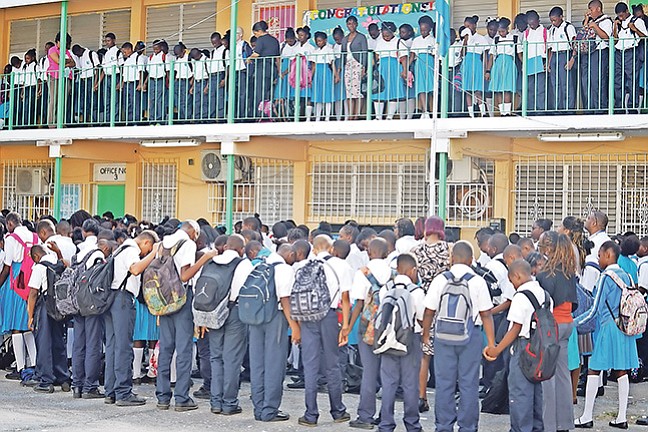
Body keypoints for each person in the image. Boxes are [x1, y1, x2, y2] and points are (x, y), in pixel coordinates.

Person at [422, 241, 495, 432]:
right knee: (468, 383)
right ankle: (468, 427)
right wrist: (492, 343)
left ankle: (443, 426)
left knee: (444, 383)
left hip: (443, 338)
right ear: (471, 260)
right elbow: (486, 314)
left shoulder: (440, 279)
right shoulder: (477, 281)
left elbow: (429, 311)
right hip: (470, 337)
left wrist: (426, 335)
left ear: (452, 258)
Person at [574, 241, 638, 429]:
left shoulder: (606, 277)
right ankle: (622, 417)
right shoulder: (627, 275)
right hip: (625, 328)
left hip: (607, 328)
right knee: (622, 371)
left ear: (608, 255)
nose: (599, 259)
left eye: (600, 255)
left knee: (594, 368)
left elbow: (595, 309)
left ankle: (586, 416)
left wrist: (574, 322)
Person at [485, 260, 552, 432]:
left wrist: (497, 350)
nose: (512, 285)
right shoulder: (545, 295)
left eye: (512, 280)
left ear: (518, 276)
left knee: (520, 394)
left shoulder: (521, 297)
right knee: (536, 393)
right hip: (541, 348)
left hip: (523, 349)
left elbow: (515, 328)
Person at [155, 221, 214, 411]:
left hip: (163, 300)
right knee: (184, 350)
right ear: (194, 232)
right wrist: (204, 259)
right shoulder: (187, 243)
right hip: (181, 299)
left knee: (165, 349)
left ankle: (162, 396)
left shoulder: (164, 242)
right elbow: (185, 275)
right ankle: (181, 397)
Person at [297, 235, 351, 427]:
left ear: (313, 248)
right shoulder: (341, 265)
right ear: (331, 248)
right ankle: (338, 411)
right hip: (329, 316)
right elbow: (345, 298)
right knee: (332, 364)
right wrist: (345, 325)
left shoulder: (304, 265)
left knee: (310, 366)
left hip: (307, 317)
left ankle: (310, 414)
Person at [104, 230, 160, 406]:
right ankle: (123, 392)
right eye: (148, 248)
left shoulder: (120, 248)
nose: (146, 252)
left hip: (111, 299)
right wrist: (153, 254)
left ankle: (111, 391)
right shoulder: (130, 250)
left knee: (113, 346)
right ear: (145, 243)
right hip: (122, 300)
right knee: (123, 347)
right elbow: (135, 269)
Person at [202, 235, 252, 415]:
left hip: (213, 312)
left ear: (226, 246)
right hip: (234, 312)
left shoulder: (211, 262)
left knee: (216, 357)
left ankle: (215, 402)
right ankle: (229, 403)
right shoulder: (243, 264)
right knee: (232, 359)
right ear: (241, 249)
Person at [249, 243, 300, 422]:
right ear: (290, 253)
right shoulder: (284, 269)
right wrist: (294, 326)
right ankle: (270, 410)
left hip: (255, 317)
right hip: (275, 318)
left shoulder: (259, 264)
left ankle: (258, 408)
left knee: (257, 364)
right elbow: (285, 298)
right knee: (274, 365)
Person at [347, 238, 392, 429]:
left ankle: (365, 416)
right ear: (386, 252)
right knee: (389, 373)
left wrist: (348, 327)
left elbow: (358, 302)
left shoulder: (363, 273)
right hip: (391, 328)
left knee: (369, 372)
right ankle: (386, 417)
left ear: (369, 252)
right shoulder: (395, 270)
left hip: (369, 328)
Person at [380, 253, 426, 432]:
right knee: (410, 383)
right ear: (412, 270)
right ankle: (412, 424)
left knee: (389, 382)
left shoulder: (385, 288)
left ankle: (386, 424)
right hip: (410, 339)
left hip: (388, 339)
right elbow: (421, 317)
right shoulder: (416, 291)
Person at [536, 231, 577, 432]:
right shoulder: (569, 272)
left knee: (547, 376)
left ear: (549, 248)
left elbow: (542, 303)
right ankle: (565, 423)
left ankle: (548, 425)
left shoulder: (545, 275)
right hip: (568, 323)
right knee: (563, 375)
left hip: (552, 326)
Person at [410, 216, 450, 412]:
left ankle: (421, 396)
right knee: (444, 355)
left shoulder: (415, 250)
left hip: (421, 304)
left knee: (423, 356)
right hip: (445, 305)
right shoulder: (449, 249)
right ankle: (445, 398)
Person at [25, 243, 69, 393]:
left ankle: (46, 380)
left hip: (44, 306)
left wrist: (30, 317)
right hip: (59, 306)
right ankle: (63, 378)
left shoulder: (39, 267)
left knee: (44, 342)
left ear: (36, 257)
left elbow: (33, 293)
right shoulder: (58, 263)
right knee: (58, 341)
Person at [0, 212, 38, 381]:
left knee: (16, 325)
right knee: (27, 324)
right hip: (32, 280)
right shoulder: (34, 237)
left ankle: (21, 366)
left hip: (17, 280)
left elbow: (7, 267)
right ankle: (34, 364)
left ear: (9, 224)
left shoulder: (11, 239)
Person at [72, 239, 110, 399]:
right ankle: (90, 386)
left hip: (77, 302)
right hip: (91, 304)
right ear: (105, 247)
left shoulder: (80, 254)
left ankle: (77, 385)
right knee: (93, 344)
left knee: (79, 344)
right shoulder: (98, 255)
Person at [578, 0, 613, 114]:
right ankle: (588, 109)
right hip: (587, 53)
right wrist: (587, 21)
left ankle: (600, 110)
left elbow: (607, 37)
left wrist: (595, 27)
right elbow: (584, 34)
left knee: (597, 82)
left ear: (598, 9)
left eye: (591, 9)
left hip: (599, 52)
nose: (589, 12)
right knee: (586, 82)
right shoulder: (590, 20)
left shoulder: (606, 20)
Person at [247, 21, 280, 121]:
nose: (255, 36)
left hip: (262, 68)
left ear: (260, 31)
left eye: (255, 33)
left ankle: (259, 115)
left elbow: (256, 54)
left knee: (259, 93)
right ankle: (268, 114)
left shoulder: (261, 39)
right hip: (272, 69)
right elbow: (278, 58)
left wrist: (249, 58)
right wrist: (278, 72)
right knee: (268, 93)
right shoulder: (274, 40)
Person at [547, 7, 577, 114]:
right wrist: (549, 63)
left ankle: (568, 110)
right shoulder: (552, 29)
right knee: (555, 84)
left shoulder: (568, 28)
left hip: (565, 55)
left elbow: (575, 45)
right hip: (555, 56)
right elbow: (550, 48)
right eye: (551, 20)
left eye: (555, 20)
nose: (553, 22)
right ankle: (557, 109)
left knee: (566, 84)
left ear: (561, 17)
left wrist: (572, 60)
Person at [518, 10, 549, 114]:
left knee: (541, 88)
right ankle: (530, 110)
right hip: (530, 61)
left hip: (541, 59)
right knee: (530, 88)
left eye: (533, 23)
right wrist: (524, 63)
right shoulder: (526, 33)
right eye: (529, 24)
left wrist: (547, 62)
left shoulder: (545, 31)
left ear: (538, 20)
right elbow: (521, 50)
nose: (532, 26)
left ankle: (540, 110)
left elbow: (550, 48)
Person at [373, 22, 405, 120]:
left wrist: (404, 70)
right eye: (384, 35)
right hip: (382, 68)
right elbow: (376, 56)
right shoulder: (379, 42)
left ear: (393, 32)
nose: (385, 37)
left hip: (394, 67)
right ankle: (378, 116)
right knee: (379, 91)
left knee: (393, 91)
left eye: (388, 35)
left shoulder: (399, 42)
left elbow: (403, 57)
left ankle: (389, 116)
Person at [487, 18, 516, 116]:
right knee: (498, 89)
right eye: (499, 31)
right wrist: (488, 70)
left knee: (507, 88)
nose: (501, 33)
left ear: (507, 29)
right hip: (498, 63)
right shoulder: (496, 39)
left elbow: (520, 53)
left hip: (509, 63)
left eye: (503, 31)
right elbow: (492, 55)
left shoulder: (514, 38)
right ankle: (502, 112)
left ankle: (507, 112)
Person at [341, 16, 367, 120]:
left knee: (357, 91)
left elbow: (365, 52)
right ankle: (350, 114)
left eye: (353, 23)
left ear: (356, 24)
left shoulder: (361, 37)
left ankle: (357, 115)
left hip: (357, 64)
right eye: (349, 23)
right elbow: (343, 53)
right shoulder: (345, 38)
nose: (351, 25)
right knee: (349, 92)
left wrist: (364, 66)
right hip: (348, 65)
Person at [461, 15, 488, 117]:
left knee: (477, 90)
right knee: (468, 90)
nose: (467, 28)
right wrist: (465, 41)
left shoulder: (481, 38)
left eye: (469, 26)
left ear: (474, 25)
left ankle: (483, 112)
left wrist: (486, 70)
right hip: (467, 62)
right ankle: (471, 114)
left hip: (477, 63)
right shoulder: (466, 39)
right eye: (465, 26)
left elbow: (485, 55)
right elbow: (462, 54)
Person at [47, 32, 75, 127]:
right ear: (58, 41)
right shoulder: (52, 49)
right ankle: (52, 123)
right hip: (54, 77)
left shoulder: (67, 51)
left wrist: (64, 62)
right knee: (54, 100)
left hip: (65, 77)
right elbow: (58, 61)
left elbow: (73, 63)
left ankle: (60, 122)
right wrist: (66, 61)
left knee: (63, 101)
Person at [411, 15, 436, 118]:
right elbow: (413, 54)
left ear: (430, 28)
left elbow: (435, 54)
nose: (423, 32)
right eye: (421, 30)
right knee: (421, 88)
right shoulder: (416, 40)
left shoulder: (433, 40)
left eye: (425, 29)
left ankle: (433, 111)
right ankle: (425, 111)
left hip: (429, 63)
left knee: (431, 88)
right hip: (419, 63)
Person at [311, 31, 339, 122]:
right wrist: (311, 77)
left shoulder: (329, 50)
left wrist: (336, 75)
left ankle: (327, 116)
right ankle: (318, 117)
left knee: (327, 95)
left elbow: (332, 64)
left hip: (326, 71)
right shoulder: (315, 51)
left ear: (325, 40)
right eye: (317, 41)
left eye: (320, 41)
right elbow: (313, 66)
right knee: (318, 96)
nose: (318, 43)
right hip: (317, 73)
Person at [581, 211, 611, 291]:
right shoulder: (595, 239)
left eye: (588, 218)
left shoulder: (600, 241)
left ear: (594, 223)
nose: (585, 220)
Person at [71, 45, 100, 124]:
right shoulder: (80, 57)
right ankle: (85, 120)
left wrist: (95, 83)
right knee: (84, 101)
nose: (78, 56)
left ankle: (94, 121)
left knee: (93, 101)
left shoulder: (91, 54)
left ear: (80, 49)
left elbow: (97, 69)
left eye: (78, 54)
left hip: (91, 79)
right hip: (83, 80)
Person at [97, 33, 122, 123]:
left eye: (109, 41)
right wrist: (98, 83)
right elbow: (104, 69)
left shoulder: (118, 52)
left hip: (115, 77)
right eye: (106, 41)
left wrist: (120, 82)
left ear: (114, 40)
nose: (107, 43)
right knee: (106, 100)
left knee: (115, 100)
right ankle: (107, 120)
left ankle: (114, 120)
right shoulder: (106, 53)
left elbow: (122, 67)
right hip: (107, 77)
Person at [274, 28, 298, 120]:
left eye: (291, 40)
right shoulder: (283, 45)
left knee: (289, 93)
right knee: (280, 93)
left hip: (292, 70)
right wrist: (280, 72)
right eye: (288, 40)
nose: (290, 42)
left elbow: (294, 62)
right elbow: (278, 59)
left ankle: (289, 114)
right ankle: (280, 115)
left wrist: (285, 72)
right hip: (282, 69)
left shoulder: (297, 46)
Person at [120, 42, 145, 124]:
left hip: (134, 83)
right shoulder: (126, 60)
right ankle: (129, 121)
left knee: (135, 103)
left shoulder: (138, 57)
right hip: (127, 83)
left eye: (125, 52)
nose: (124, 54)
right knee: (127, 103)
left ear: (129, 49)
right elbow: (124, 74)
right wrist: (122, 84)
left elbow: (141, 71)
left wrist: (140, 84)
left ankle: (135, 122)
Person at [294, 26, 315, 122]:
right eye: (299, 35)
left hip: (306, 74)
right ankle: (298, 116)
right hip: (297, 74)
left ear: (307, 36)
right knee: (298, 96)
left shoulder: (311, 48)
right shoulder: (296, 47)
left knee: (308, 96)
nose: (300, 37)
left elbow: (312, 63)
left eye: (302, 35)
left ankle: (308, 118)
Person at [147, 40, 168, 123]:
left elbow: (167, 70)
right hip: (152, 79)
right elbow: (149, 71)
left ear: (160, 48)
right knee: (152, 99)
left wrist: (168, 81)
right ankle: (152, 119)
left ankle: (160, 119)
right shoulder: (151, 57)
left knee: (160, 100)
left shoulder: (164, 56)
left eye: (157, 48)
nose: (155, 50)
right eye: (154, 48)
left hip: (160, 79)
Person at [17, 49, 40, 127]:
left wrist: (38, 90)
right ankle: (25, 123)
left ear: (33, 58)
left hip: (33, 87)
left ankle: (31, 123)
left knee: (32, 106)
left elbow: (38, 79)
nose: (26, 60)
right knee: (26, 106)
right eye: (25, 59)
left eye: (28, 58)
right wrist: (22, 91)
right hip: (26, 87)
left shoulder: (36, 66)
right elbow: (23, 81)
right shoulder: (24, 67)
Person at [172, 43, 193, 122]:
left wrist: (191, 81)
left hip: (186, 81)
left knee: (186, 101)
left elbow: (193, 70)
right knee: (178, 101)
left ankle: (187, 118)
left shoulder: (189, 58)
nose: (178, 56)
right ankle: (181, 118)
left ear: (183, 51)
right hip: (178, 81)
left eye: (179, 54)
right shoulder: (177, 59)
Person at [189, 48, 210, 122]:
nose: (195, 59)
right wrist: (192, 87)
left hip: (204, 81)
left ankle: (204, 119)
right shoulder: (193, 61)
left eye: (195, 57)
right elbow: (195, 74)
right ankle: (196, 119)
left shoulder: (206, 60)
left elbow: (209, 74)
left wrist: (207, 86)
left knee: (204, 102)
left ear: (199, 54)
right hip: (197, 82)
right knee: (196, 102)